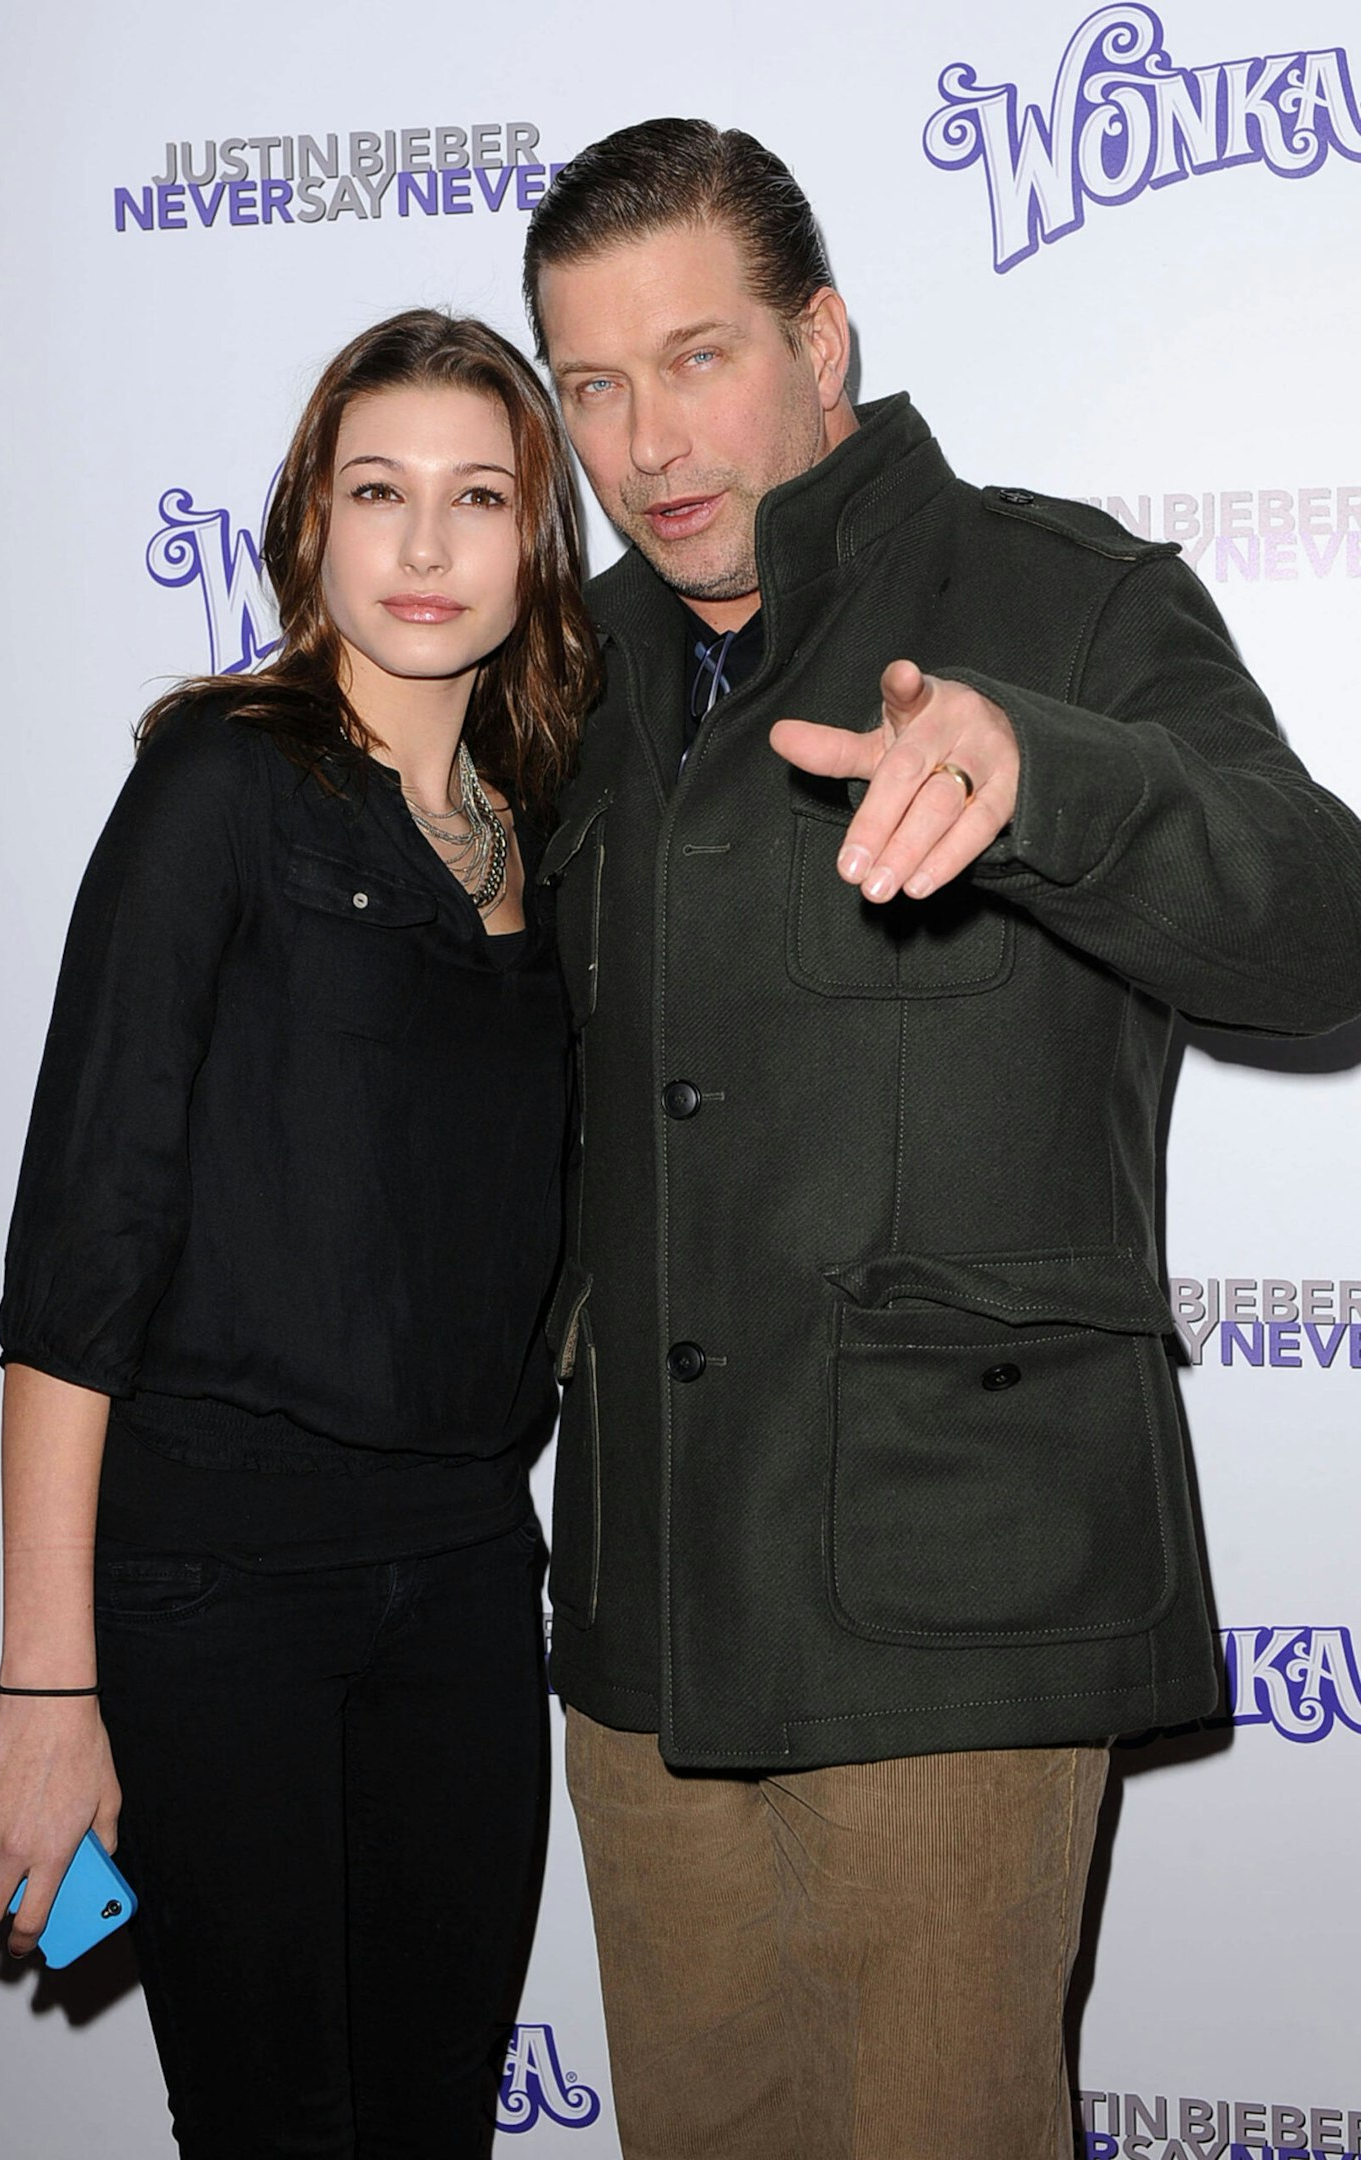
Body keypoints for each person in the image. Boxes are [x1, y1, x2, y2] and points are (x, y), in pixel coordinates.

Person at [519, 119, 1361, 2160]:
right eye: (595, 384)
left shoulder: (1056, 596)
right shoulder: (572, 679)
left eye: (700, 357)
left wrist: (1045, 779)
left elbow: (1321, 931)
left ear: (825, 342)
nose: (649, 441)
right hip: (643, 1635)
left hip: (954, 1617)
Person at [0, 309, 601, 2158]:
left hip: (470, 1582)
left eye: (477, 498)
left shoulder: (543, 834)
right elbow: (80, 1254)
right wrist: (46, 1684)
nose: (421, 544)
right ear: (308, 522)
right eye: (377, 492)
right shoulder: (217, 789)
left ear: (534, 543)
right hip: (215, 1586)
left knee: (430, 2122)